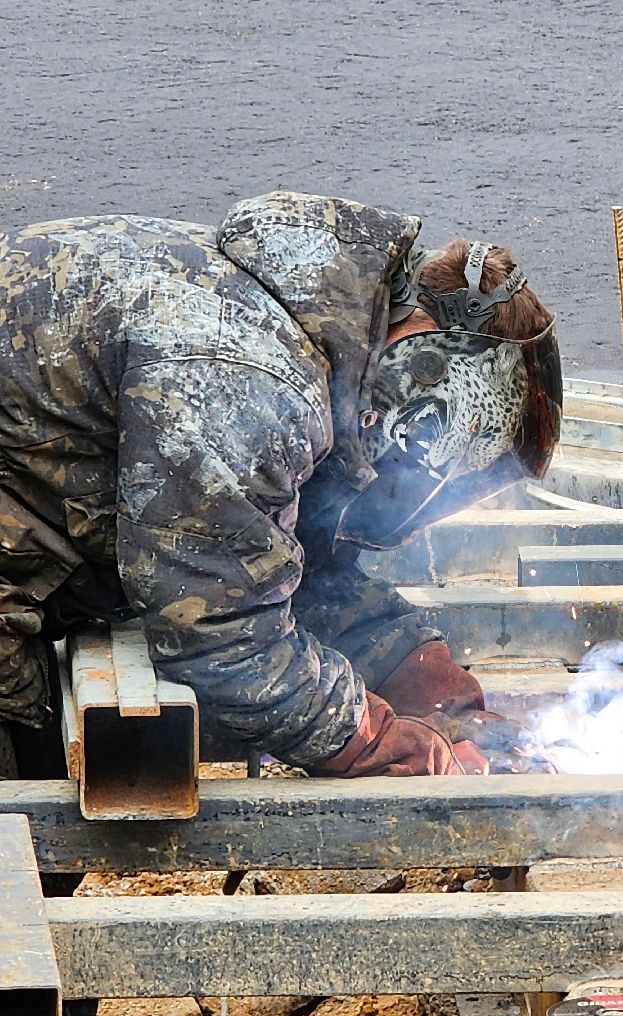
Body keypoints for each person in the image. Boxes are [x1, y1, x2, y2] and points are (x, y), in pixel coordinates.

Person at [0, 190, 563, 782]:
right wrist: (399, 749)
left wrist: (434, 691)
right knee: (30, 822)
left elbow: (272, 566)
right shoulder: (245, 373)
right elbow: (221, 632)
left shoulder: (290, 329)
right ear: (432, 373)